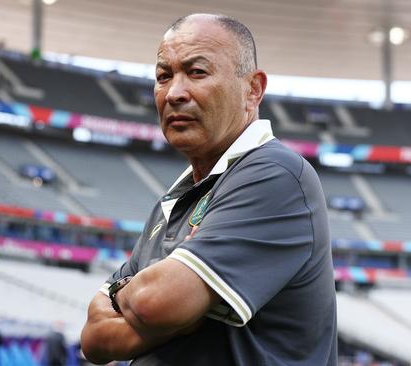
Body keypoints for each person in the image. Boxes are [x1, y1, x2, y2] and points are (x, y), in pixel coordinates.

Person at [81, 13, 337, 365]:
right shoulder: (171, 202)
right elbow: (94, 340)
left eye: (197, 72)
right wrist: (172, 308)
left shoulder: (277, 175)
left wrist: (138, 299)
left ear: (253, 89)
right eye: (163, 76)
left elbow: (153, 303)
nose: (174, 93)